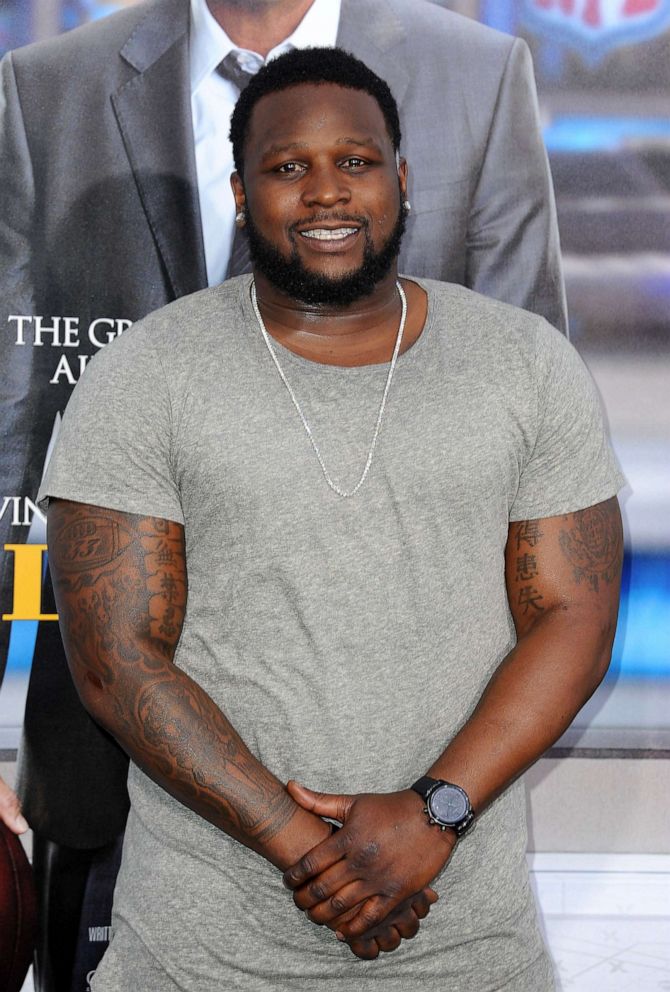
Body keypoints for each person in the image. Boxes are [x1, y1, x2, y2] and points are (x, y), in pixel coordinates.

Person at [0, 0, 567, 986]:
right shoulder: (45, 89)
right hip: (112, 762)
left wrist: (445, 790)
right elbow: (15, 426)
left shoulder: (476, 78)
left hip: (403, 784)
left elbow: (526, 456)